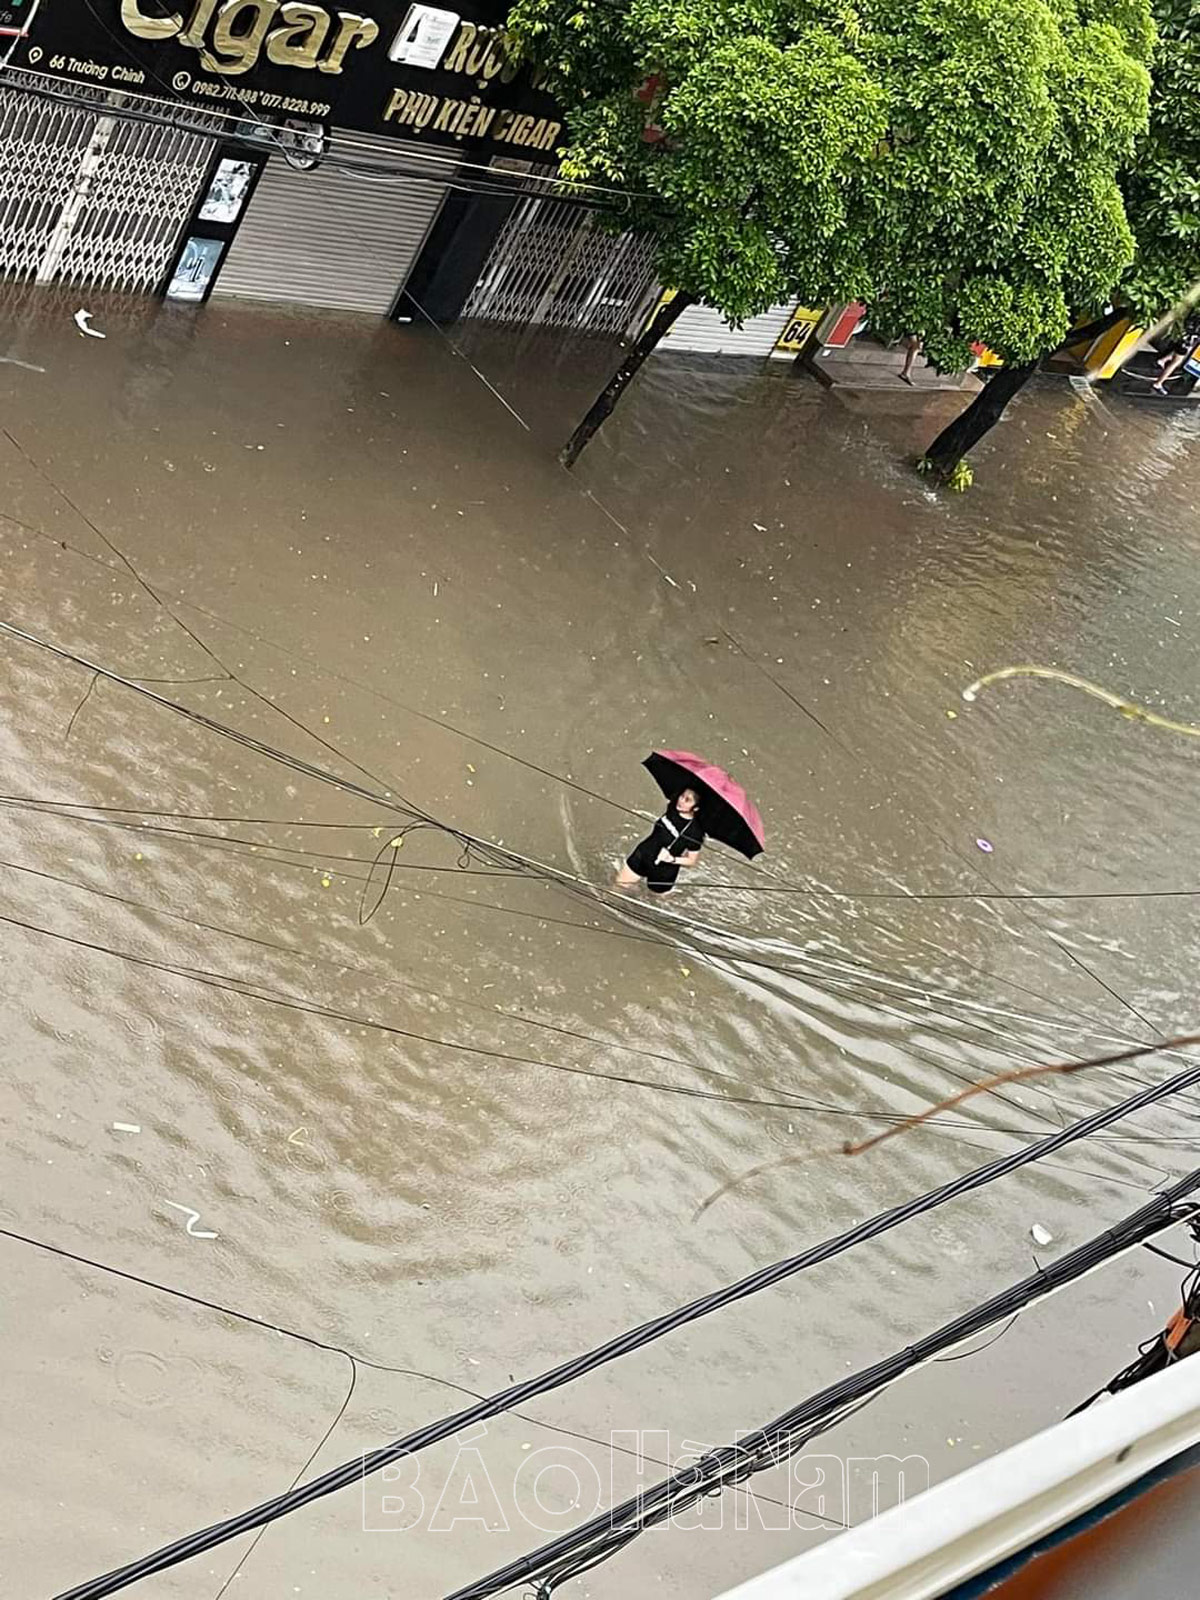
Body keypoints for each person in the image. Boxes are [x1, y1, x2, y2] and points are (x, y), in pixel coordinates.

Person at [615, 787, 705, 894]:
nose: (681, 801)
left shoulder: (695, 832)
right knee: (618, 887)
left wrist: (671, 859)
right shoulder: (672, 807)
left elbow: (691, 861)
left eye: (687, 800)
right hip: (643, 855)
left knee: (654, 900)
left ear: (696, 808)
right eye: (682, 796)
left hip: (663, 871)